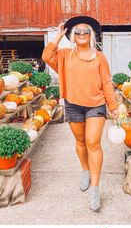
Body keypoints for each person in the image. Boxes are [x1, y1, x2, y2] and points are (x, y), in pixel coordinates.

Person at [42, 16, 119, 212]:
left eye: (86, 31)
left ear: (91, 35)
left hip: (96, 105)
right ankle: (85, 170)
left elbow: (107, 82)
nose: (82, 34)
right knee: (81, 142)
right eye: (78, 32)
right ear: (73, 36)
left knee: (93, 142)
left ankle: (94, 187)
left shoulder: (100, 57)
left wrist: (113, 105)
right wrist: (58, 36)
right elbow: (45, 57)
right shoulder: (65, 55)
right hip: (73, 105)